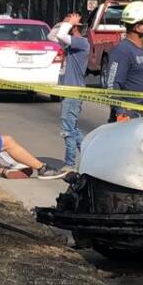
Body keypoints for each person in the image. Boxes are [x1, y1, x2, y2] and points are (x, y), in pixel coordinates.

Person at [106, 1, 143, 121]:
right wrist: (120, 112)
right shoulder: (123, 51)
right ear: (137, 27)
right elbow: (112, 85)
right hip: (131, 118)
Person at [48, 12, 90, 170]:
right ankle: (90, 153)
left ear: (75, 28)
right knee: (72, 128)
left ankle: (70, 163)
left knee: (67, 129)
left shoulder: (81, 42)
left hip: (73, 92)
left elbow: (61, 36)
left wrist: (69, 24)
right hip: (67, 91)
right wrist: (63, 23)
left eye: (69, 25)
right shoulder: (70, 44)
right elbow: (51, 36)